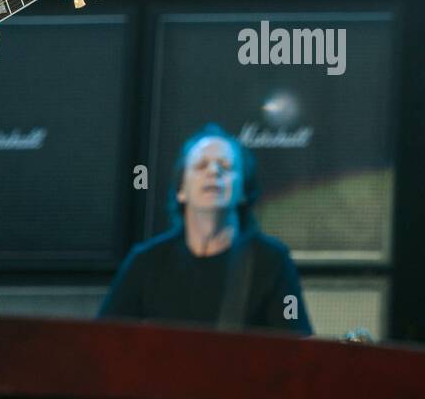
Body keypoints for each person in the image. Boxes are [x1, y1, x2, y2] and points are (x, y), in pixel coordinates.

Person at [99, 124, 312, 334]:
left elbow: (297, 348)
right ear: (181, 190)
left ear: (243, 191)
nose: (213, 171)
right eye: (201, 165)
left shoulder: (271, 260)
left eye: (226, 166)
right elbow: (102, 341)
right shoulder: (146, 261)